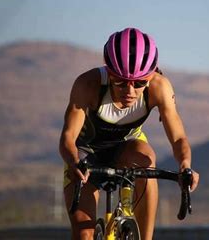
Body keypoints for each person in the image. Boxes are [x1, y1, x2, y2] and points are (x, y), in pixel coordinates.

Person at [59, 27, 200, 240]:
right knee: (83, 233)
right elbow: (68, 138)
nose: (130, 91)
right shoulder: (88, 84)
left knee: (145, 158)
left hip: (127, 148)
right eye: (121, 82)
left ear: (150, 76)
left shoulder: (159, 87)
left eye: (139, 83)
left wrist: (185, 165)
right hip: (85, 153)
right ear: (109, 72)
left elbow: (179, 137)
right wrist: (73, 162)